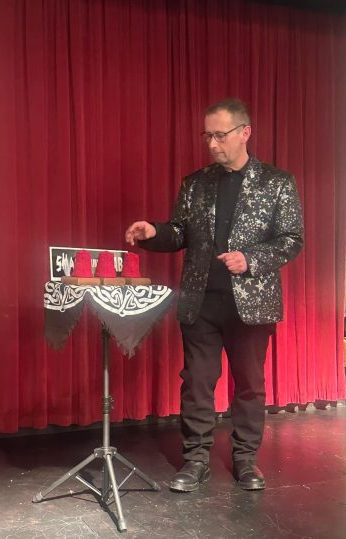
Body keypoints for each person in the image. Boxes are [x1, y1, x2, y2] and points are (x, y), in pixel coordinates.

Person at [125, 98, 304, 492]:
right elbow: (180, 233)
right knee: (197, 383)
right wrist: (154, 233)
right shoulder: (195, 182)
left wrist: (251, 258)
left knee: (249, 385)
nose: (211, 143)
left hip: (252, 303)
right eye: (207, 135)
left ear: (245, 132)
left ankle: (245, 460)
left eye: (219, 135)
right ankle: (195, 460)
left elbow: (293, 239)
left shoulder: (277, 182)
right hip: (201, 300)